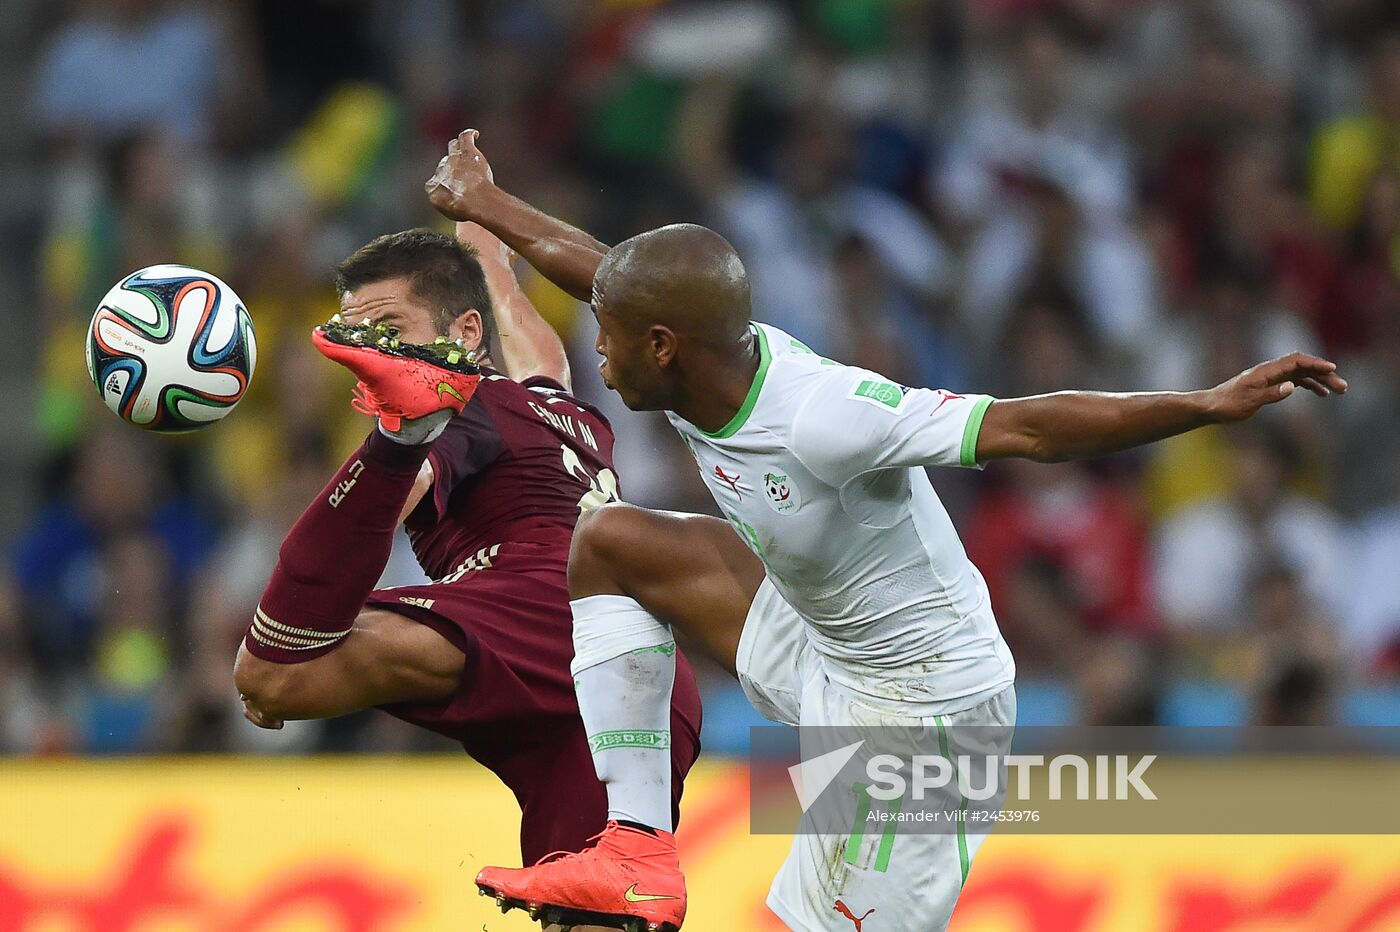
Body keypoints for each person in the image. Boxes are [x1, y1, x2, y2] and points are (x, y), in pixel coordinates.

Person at [428, 130, 1347, 932]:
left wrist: (1207, 402)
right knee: (611, 543)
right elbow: (600, 268)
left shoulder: (825, 415)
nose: (598, 347)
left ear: (662, 345)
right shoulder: (687, 347)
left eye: (613, 339)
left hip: (923, 713)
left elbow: (1029, 425)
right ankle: (634, 848)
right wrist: (483, 202)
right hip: (825, 647)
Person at [230, 220, 703, 881]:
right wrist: (483, 235)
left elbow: (383, 512)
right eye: (355, 335)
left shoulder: (465, 408)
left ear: (465, 337)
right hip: (644, 677)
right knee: (592, 913)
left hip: (543, 610)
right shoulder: (557, 409)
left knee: (271, 672)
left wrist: (399, 444)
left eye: (390, 327)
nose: (370, 350)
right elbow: (539, 350)